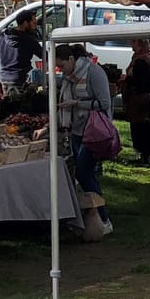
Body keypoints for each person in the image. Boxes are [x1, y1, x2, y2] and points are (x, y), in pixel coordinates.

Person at [55, 42, 114, 237]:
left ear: (71, 60)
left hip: (93, 133)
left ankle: (103, 218)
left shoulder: (94, 73)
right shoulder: (69, 78)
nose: (61, 71)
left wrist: (77, 103)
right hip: (77, 131)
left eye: (62, 66)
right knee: (85, 174)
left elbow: (104, 103)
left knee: (83, 173)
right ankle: (91, 215)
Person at [0, 9, 44, 117]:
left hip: (5, 80)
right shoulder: (29, 40)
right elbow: (46, 56)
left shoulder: (1, 37)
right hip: (20, 80)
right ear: (26, 23)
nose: (36, 26)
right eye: (34, 23)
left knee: (10, 112)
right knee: (21, 114)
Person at [121, 38, 150, 164]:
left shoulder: (142, 60)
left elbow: (140, 82)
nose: (131, 45)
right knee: (149, 130)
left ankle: (147, 157)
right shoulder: (146, 57)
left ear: (140, 44)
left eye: (133, 42)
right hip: (147, 102)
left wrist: (126, 80)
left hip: (142, 103)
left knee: (143, 130)